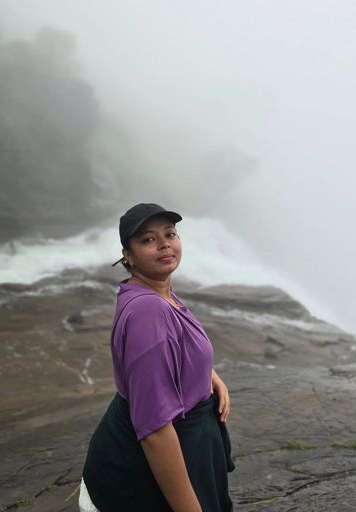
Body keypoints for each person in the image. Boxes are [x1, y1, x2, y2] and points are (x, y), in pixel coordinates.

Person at [80, 203, 234, 512]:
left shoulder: (159, 292)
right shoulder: (149, 311)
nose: (164, 243)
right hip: (148, 471)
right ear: (128, 254)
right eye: (148, 239)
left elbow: (175, 349)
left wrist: (207, 375)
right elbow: (154, 429)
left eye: (170, 234)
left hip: (187, 447)